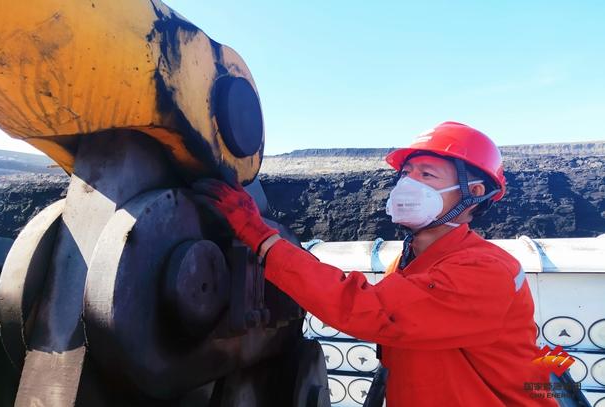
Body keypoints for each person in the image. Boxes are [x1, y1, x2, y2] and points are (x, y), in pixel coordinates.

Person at [194, 122, 558, 406]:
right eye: (406, 173)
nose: (408, 184)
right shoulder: (408, 260)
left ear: (473, 193)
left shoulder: (487, 270)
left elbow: (372, 310)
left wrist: (264, 241)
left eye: (427, 175)